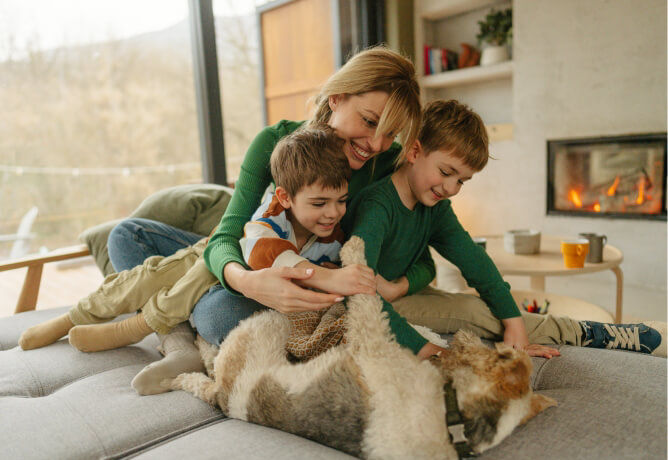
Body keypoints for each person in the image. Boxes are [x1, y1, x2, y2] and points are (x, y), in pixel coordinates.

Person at [343, 99, 665, 358]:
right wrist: (425, 349)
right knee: (474, 311)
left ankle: (578, 329)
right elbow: (359, 295)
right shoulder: (378, 207)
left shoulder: (435, 207)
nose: (452, 188)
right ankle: (587, 333)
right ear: (414, 151)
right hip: (375, 303)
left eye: (462, 181)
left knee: (486, 305)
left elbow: (474, 261)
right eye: (446, 172)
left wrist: (514, 322)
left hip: (401, 293)